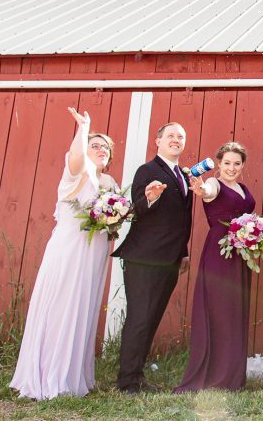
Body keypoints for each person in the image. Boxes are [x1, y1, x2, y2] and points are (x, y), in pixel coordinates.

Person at [10, 108, 117, 399]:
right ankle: (50, 376)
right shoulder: (77, 172)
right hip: (70, 251)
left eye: (106, 148)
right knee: (62, 306)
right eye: (95, 145)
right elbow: (77, 157)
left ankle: (73, 375)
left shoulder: (108, 184)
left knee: (83, 309)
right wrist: (84, 129)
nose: (101, 150)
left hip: (94, 254)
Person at [113, 122, 194, 394]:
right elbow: (138, 207)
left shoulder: (183, 175)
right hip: (144, 259)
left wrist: (183, 252)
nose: (176, 139)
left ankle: (137, 375)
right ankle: (127, 381)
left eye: (180, 136)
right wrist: (150, 198)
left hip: (170, 259)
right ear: (158, 141)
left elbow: (182, 219)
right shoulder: (147, 170)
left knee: (152, 319)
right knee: (139, 319)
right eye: (170, 135)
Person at [175, 142, 257, 392]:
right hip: (220, 253)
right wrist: (201, 189)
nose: (231, 168)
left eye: (237, 163)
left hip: (240, 253)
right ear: (218, 164)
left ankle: (232, 375)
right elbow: (207, 191)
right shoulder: (214, 183)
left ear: (242, 166)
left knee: (234, 308)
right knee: (219, 308)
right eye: (227, 163)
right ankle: (214, 375)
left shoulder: (243, 188)